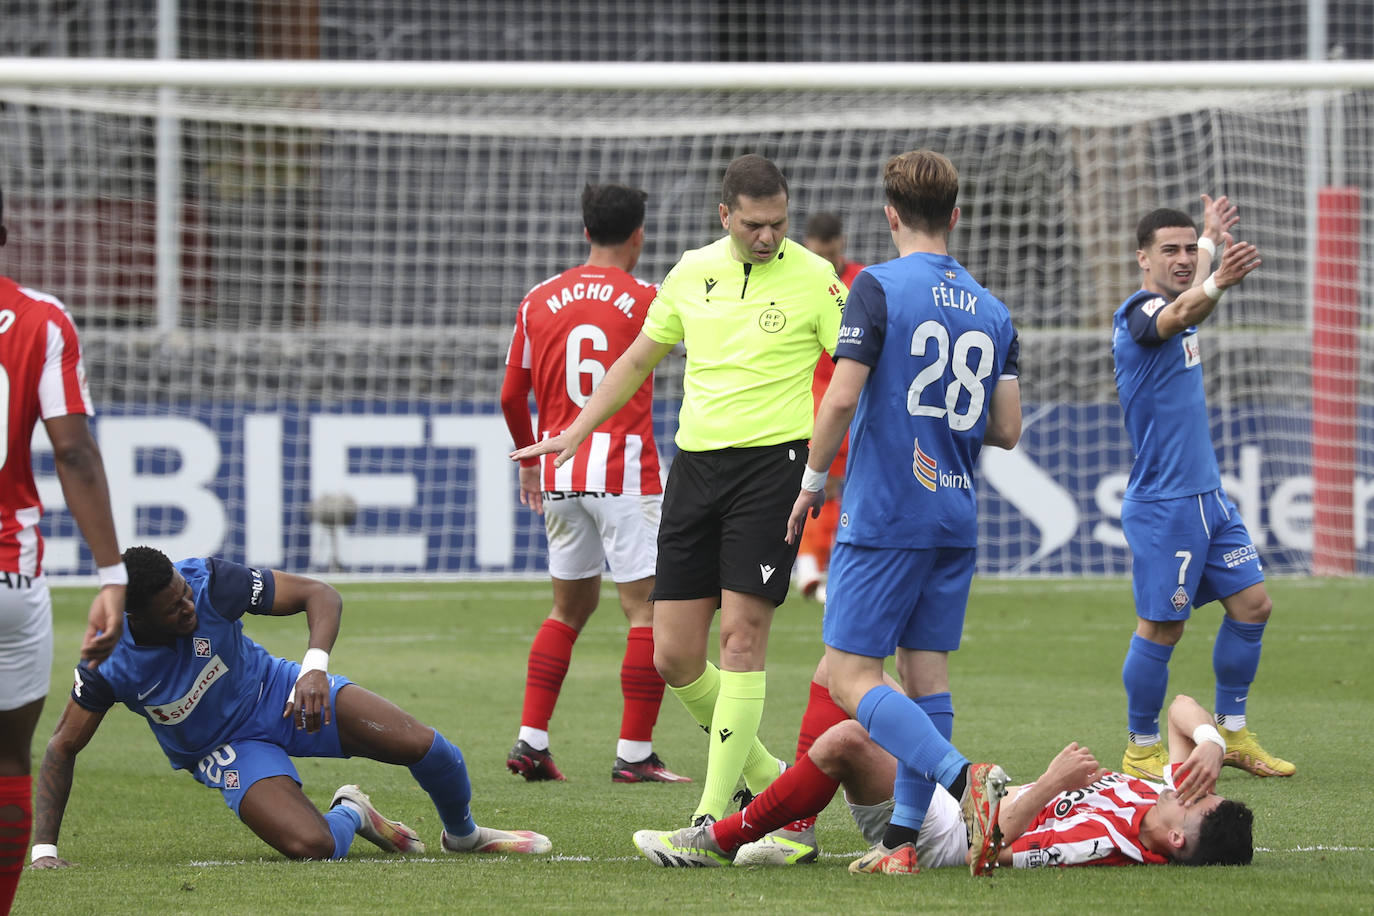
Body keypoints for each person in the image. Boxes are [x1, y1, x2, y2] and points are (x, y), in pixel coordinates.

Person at [512, 154, 846, 825]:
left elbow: (853, 370)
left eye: (778, 223)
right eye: (754, 224)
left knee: (742, 641)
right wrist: (575, 431)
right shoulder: (691, 271)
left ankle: (712, 816)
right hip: (695, 471)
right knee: (673, 654)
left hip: (772, 470)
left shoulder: (816, 278)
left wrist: (833, 458)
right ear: (725, 215)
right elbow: (638, 356)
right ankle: (772, 779)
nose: (768, 236)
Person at [784, 149, 1022, 874]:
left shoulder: (876, 288)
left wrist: (812, 480)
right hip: (954, 514)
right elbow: (1006, 428)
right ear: (954, 216)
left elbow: (843, 396)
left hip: (888, 513)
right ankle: (901, 842)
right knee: (926, 678)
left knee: (849, 676)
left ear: (890, 217)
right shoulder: (994, 309)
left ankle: (964, 778)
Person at [29, 546, 551, 867]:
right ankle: (354, 812)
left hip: (279, 692)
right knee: (313, 847)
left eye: (186, 594)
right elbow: (62, 745)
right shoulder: (109, 662)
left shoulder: (211, 583)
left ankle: (463, 836)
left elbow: (320, 594)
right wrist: (45, 853)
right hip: (226, 749)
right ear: (138, 620)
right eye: (175, 608)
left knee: (427, 747)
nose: (190, 606)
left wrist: (314, 667)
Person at [500, 183, 687, 785]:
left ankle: (531, 742)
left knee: (568, 607)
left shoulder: (539, 298)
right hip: (625, 472)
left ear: (586, 232)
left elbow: (511, 393)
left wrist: (530, 461)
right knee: (644, 613)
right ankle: (634, 753)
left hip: (559, 470)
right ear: (639, 234)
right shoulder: (649, 299)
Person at [634, 693, 1254, 871]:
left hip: (953, 835)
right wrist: (1210, 741)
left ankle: (719, 839)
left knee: (848, 739)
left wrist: (1048, 786)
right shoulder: (1161, 796)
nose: (1193, 789)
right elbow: (1182, 706)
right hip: (965, 802)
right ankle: (794, 827)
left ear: (1176, 840)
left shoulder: (1104, 844)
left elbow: (992, 850)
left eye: (1198, 803)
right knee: (845, 675)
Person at [1112, 197, 1293, 782]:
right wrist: (1216, 277)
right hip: (1165, 506)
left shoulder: (1184, 290)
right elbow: (1176, 313)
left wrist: (1210, 238)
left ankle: (1234, 731)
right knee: (1163, 627)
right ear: (1143, 258)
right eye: (1170, 250)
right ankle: (1141, 747)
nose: (1184, 258)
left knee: (1253, 605)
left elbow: (1189, 292)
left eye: (1190, 249)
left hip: (1209, 497)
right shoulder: (1137, 314)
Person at [0, 187, 125, 913]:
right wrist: (111, 574)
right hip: (11, 578)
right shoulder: (43, 322)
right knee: (9, 761)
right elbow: (73, 453)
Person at [794, 212, 865, 601]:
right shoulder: (801, 282)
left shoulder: (864, 282)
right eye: (817, 254)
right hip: (810, 397)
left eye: (830, 252)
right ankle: (812, 564)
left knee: (840, 487)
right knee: (819, 484)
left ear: (842, 243)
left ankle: (819, 565)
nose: (825, 260)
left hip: (850, 398)